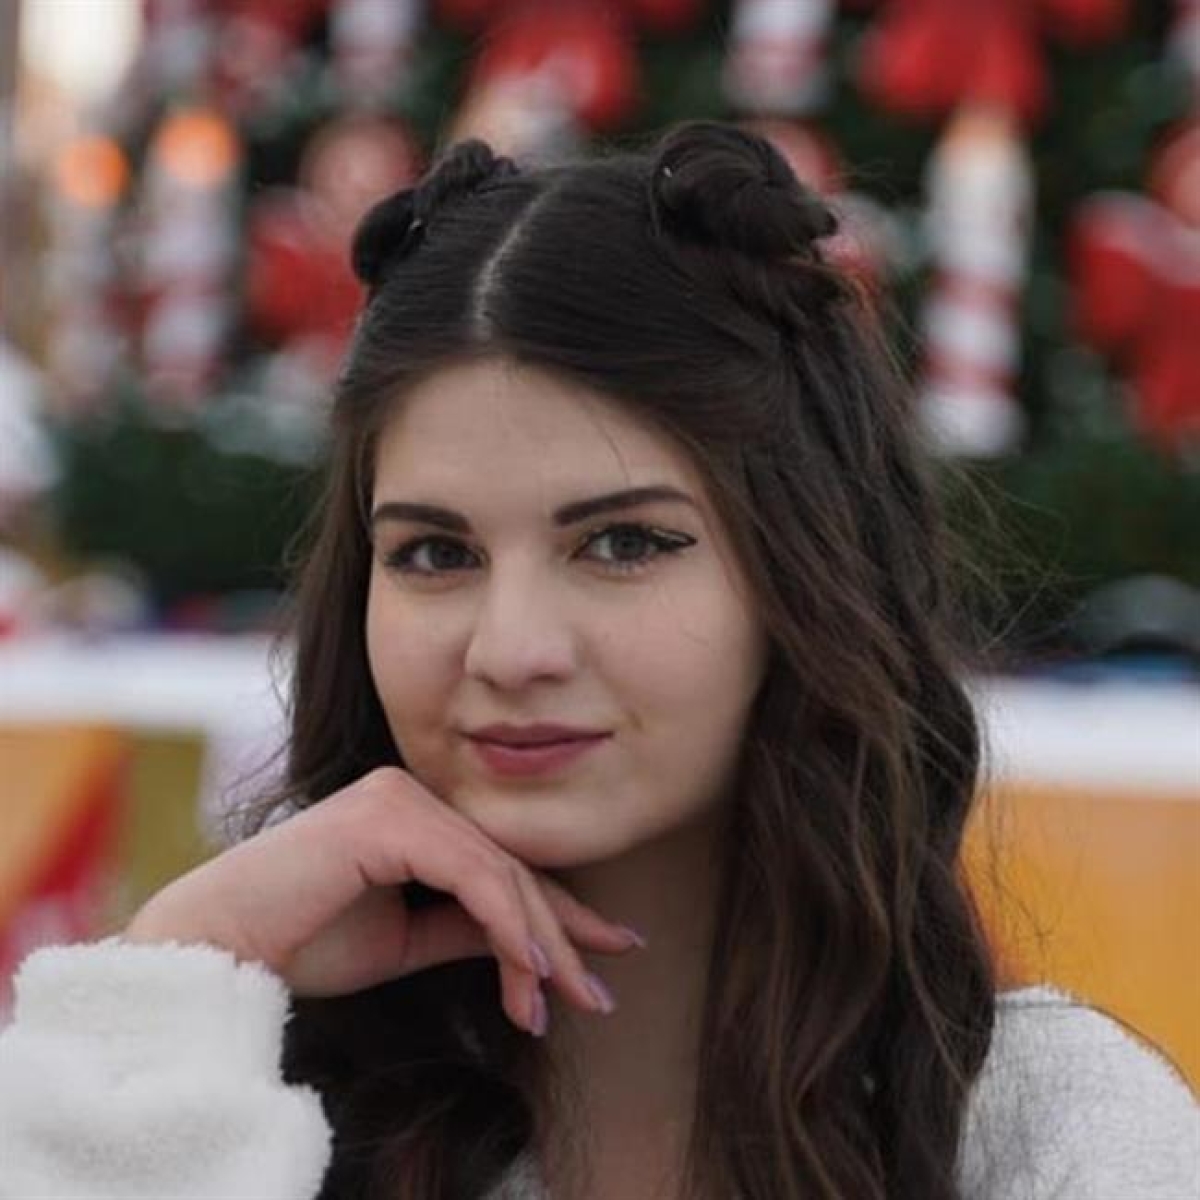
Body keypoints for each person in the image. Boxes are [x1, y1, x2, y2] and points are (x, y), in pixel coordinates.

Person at [0, 121, 1196, 1200]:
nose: (512, 649)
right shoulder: (240, 1104)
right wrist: (178, 964)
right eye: (435, 554)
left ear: (806, 574)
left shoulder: (1052, 1137)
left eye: (624, 543)